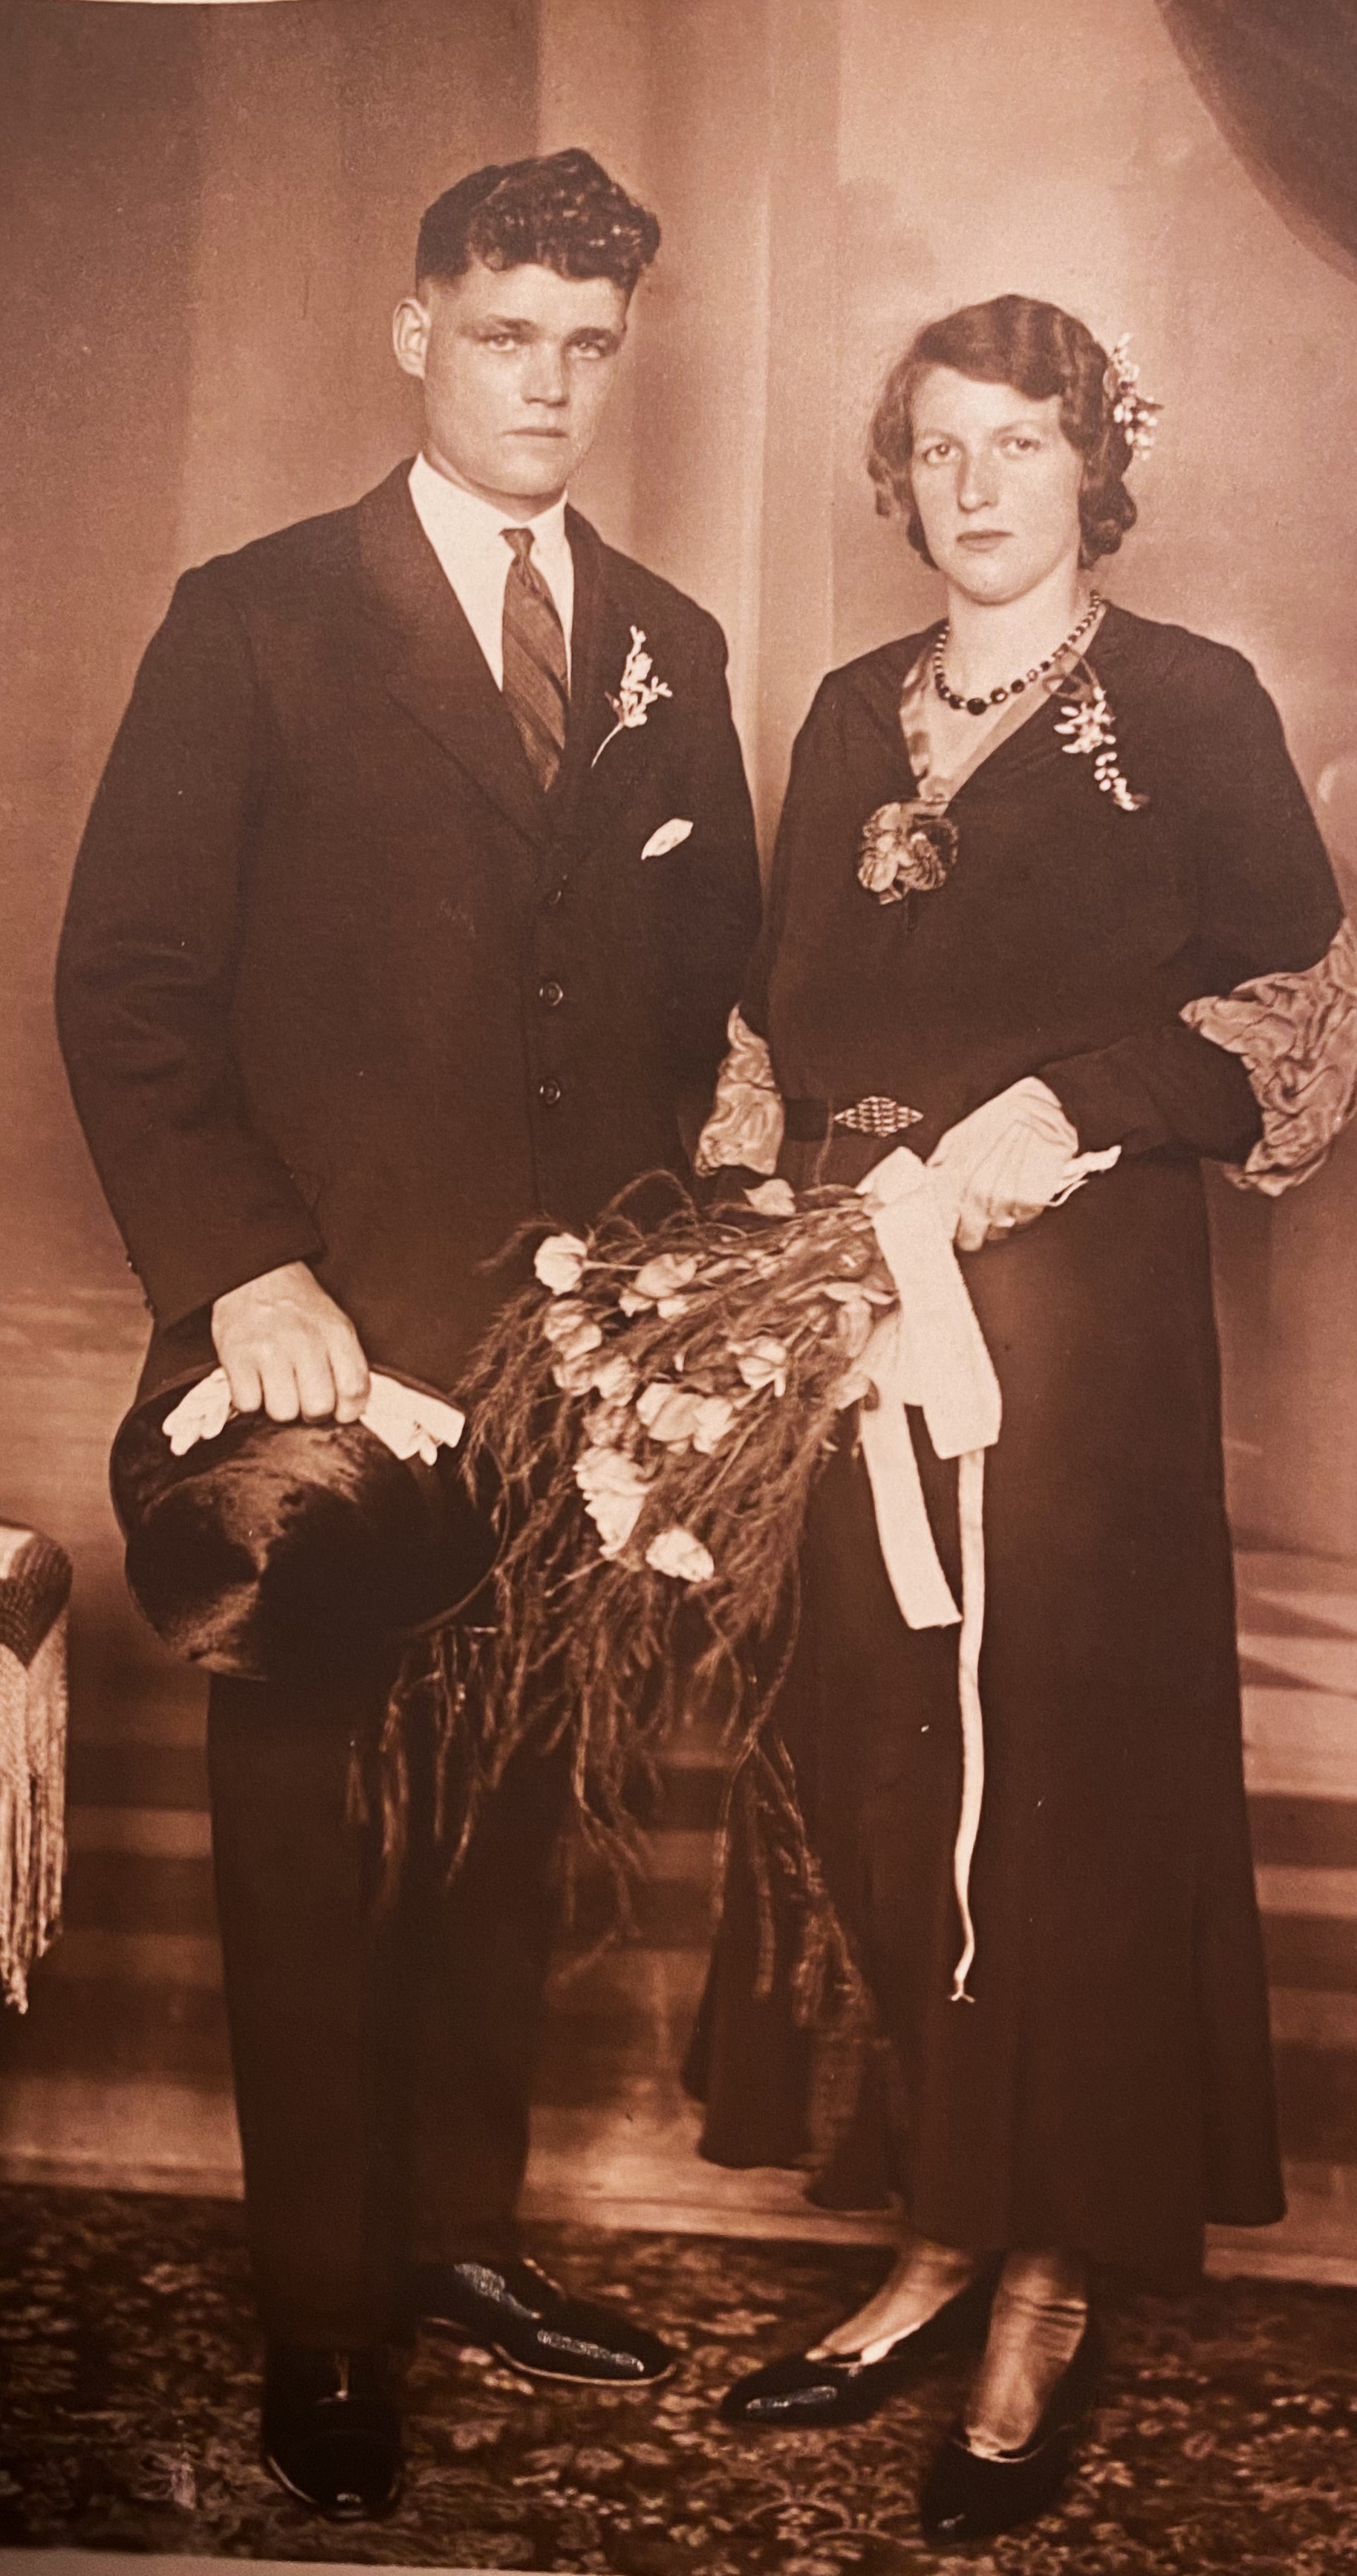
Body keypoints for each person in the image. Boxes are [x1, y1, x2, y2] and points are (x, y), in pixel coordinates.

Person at [56, 149, 760, 2520]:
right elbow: (129, 985)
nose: (545, 384)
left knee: (503, 1821)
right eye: (503, 335)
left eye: (586, 346)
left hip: (580, 1378)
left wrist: (685, 1297)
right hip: (321, 1364)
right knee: (311, 1840)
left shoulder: (668, 642)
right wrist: (245, 1269)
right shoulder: (253, 616)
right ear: (415, 333)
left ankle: (460, 2237)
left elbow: (707, 1005)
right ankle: (327, 2315)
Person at [689, 293, 1354, 2544]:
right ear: (901, 477)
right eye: (941, 447)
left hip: (1078, 1342)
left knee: (1052, 1775)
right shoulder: (842, 712)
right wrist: (763, 1240)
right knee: (886, 1768)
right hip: (847, 1320)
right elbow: (768, 1021)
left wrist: (1068, 1105)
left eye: (1022, 443)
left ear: (1095, 467)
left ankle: (1052, 2266)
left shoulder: (1189, 702)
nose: (976, 486)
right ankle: (938, 2227)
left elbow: (1294, 1000)